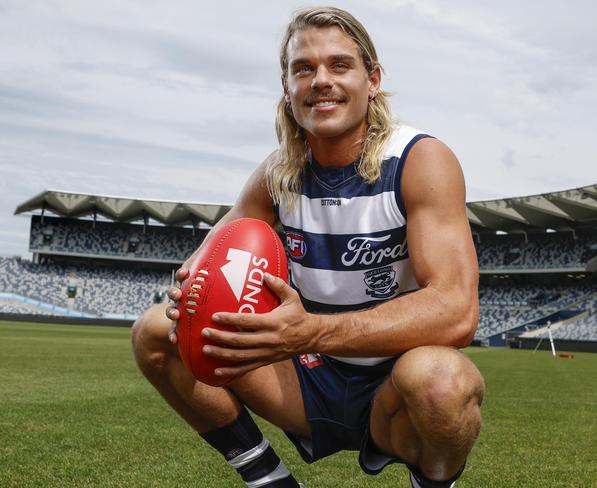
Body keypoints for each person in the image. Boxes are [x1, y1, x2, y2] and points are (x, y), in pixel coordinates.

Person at [132, 6, 485, 488]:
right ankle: (270, 480)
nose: (321, 80)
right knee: (157, 330)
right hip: (305, 381)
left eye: (339, 65)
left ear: (373, 79)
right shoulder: (278, 173)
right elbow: (207, 258)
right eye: (304, 68)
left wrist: (308, 332)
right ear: (287, 87)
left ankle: (432, 483)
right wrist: (191, 291)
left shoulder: (419, 160)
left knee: (444, 380)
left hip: (394, 388)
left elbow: (457, 312)